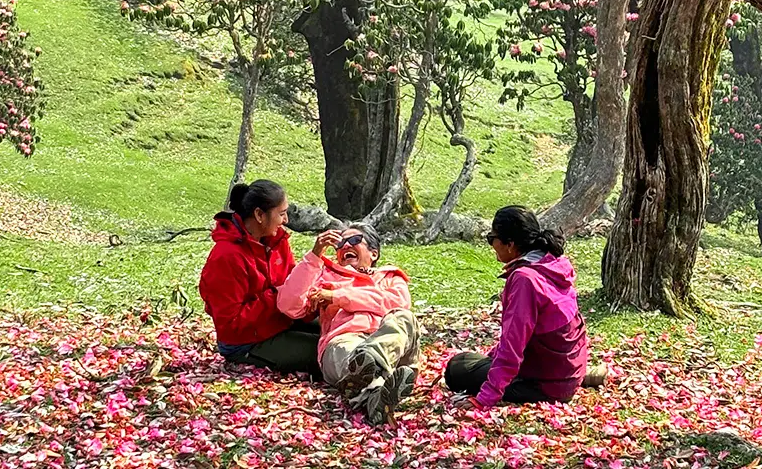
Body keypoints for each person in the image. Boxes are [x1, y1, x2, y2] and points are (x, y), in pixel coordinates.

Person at [444, 205, 605, 408]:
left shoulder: (524, 280)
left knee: (457, 368)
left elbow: (513, 346)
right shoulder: (554, 263)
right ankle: (580, 377)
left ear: (510, 244)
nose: (491, 244)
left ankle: (557, 385)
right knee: (484, 361)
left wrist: (484, 399)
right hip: (569, 370)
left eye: (491, 238)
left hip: (545, 385)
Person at [277, 224, 419, 425]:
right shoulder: (325, 278)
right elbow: (288, 305)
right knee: (347, 351)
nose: (345, 246)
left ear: (374, 253)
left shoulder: (390, 277)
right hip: (346, 341)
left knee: (403, 318)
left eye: (354, 240)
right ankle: (376, 397)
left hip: (392, 347)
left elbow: (396, 303)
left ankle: (370, 361)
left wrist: (337, 297)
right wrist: (314, 256)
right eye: (340, 243)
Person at [199, 180, 321, 377]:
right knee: (326, 352)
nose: (286, 220)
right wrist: (278, 295)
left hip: (279, 321)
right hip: (245, 341)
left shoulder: (277, 241)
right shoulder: (226, 256)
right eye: (281, 214)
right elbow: (230, 324)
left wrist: (311, 300)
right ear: (259, 215)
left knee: (338, 327)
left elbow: (293, 284)